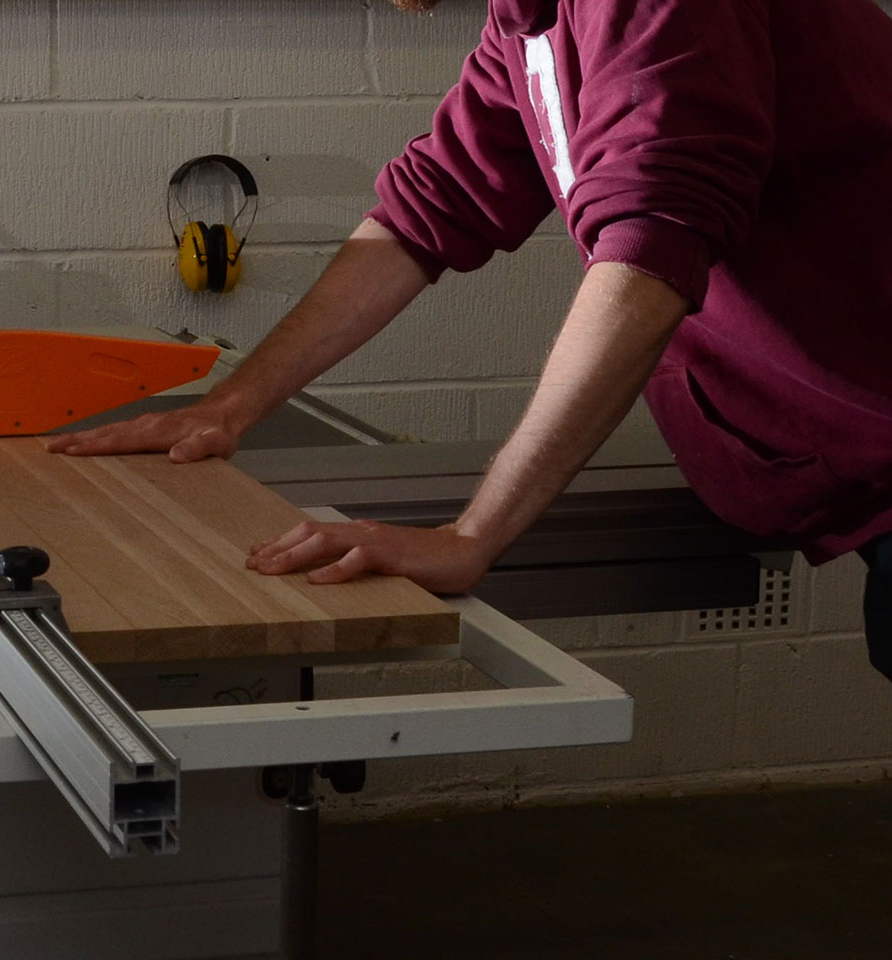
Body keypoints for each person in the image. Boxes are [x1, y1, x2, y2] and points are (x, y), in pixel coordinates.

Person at [47, 0, 892, 681]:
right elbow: (432, 206)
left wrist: (469, 537)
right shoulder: (530, 20)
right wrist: (229, 407)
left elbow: (649, 250)